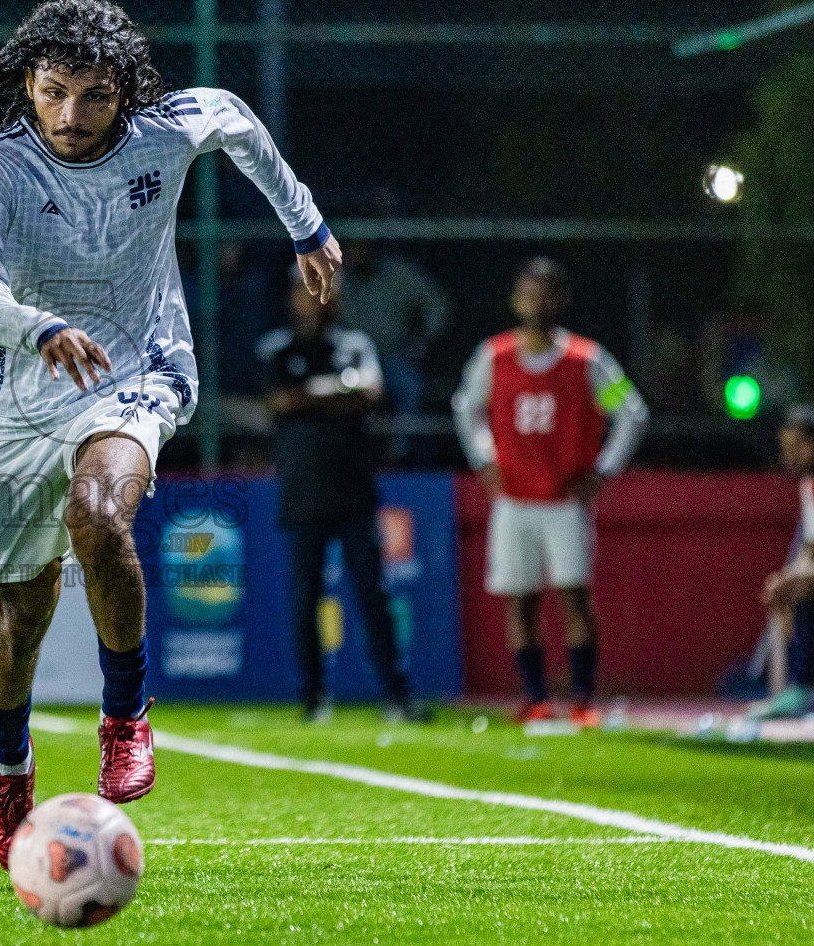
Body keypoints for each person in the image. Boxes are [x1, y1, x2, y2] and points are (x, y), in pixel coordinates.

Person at [0, 0, 340, 868]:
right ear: (28, 86)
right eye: (52, 94)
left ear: (125, 91)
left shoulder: (164, 131)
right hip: (19, 390)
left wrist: (304, 221)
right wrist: (40, 328)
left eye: (91, 96)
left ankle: (126, 714)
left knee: (100, 513)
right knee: (20, 609)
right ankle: (10, 769)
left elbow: (234, 121)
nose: (70, 117)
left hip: (137, 369)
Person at [452, 257, 648, 727]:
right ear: (515, 299)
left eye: (547, 292)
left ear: (562, 300)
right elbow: (466, 408)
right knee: (520, 599)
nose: (537, 301)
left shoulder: (588, 359)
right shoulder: (492, 356)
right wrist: (484, 459)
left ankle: (582, 698)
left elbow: (633, 412)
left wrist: (603, 471)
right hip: (514, 499)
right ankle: (536, 697)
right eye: (529, 291)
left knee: (573, 596)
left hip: (565, 499)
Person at [257, 268, 426, 725]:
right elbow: (279, 402)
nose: (318, 298)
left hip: (354, 491)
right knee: (304, 600)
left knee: (374, 595)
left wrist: (311, 396)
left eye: (326, 290)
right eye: (307, 289)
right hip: (302, 494)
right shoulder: (277, 348)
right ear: (293, 297)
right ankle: (313, 698)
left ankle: (397, 695)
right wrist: (336, 394)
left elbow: (370, 393)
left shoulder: (357, 345)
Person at [748, 405, 814, 719]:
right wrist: (791, 574)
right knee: (786, 586)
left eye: (793, 447)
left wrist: (799, 575)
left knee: (804, 586)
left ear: (810, 445)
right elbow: (812, 544)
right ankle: (795, 687)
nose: (788, 456)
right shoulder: (808, 484)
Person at [337, 239, 449, 459]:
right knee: (337, 394)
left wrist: (424, 337)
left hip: (391, 357)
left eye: (363, 246)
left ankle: (399, 457)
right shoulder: (334, 277)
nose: (357, 253)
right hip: (348, 361)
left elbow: (437, 303)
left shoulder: (398, 273)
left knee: (410, 388)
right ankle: (349, 455)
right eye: (351, 247)